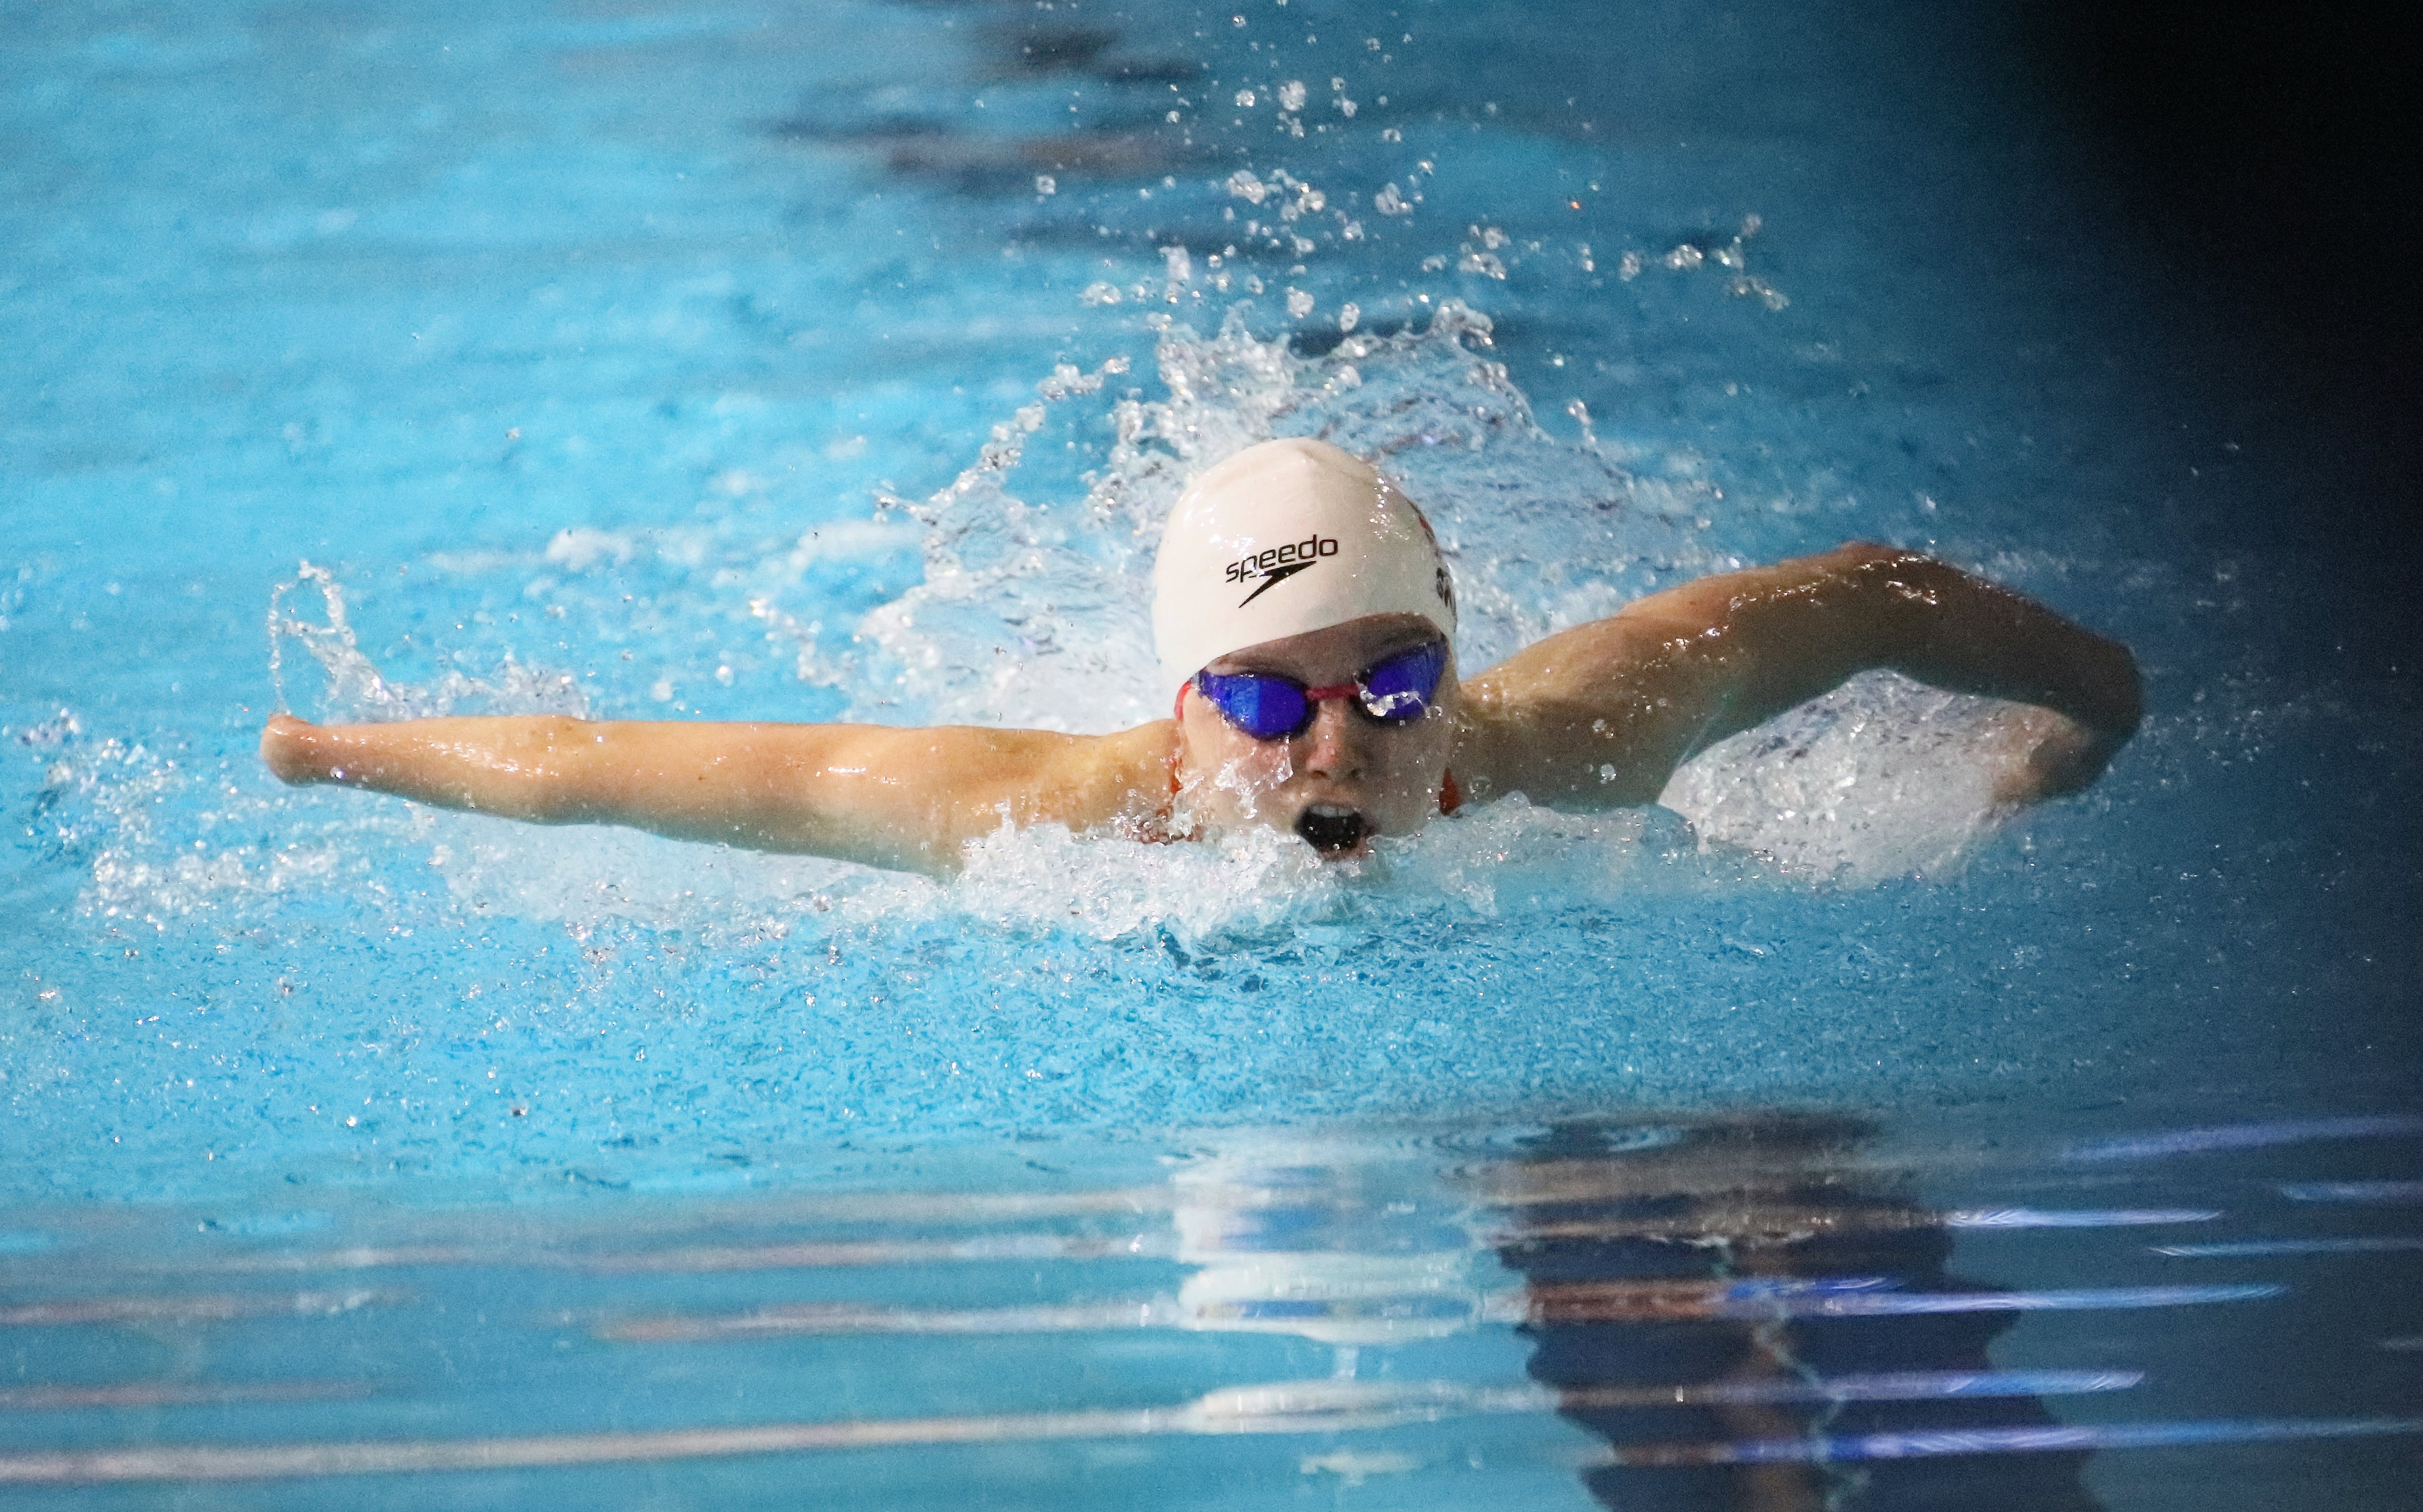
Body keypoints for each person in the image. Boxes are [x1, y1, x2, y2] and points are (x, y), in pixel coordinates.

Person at [259, 438, 2141, 873]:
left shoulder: (1572, 742)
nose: (1333, 743)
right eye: (1261, 693)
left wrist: (2085, 719)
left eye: (1389, 679)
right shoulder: (1045, 821)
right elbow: (612, 762)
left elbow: (1875, 589)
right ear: (1179, 710)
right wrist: (335, 752)